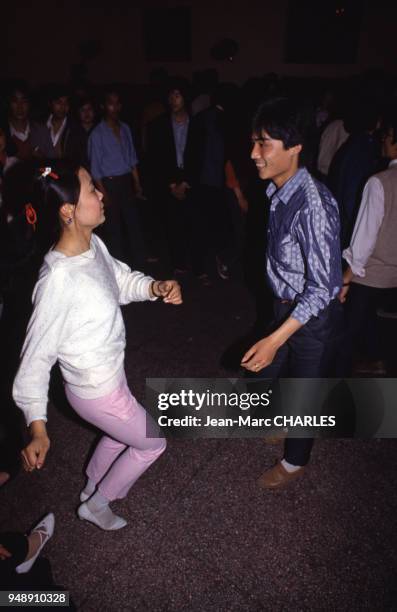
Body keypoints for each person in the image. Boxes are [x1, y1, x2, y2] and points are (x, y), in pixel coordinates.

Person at [13, 160, 182, 530]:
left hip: (107, 378)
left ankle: (91, 485)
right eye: (92, 189)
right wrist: (37, 427)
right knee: (153, 443)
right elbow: (35, 360)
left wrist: (154, 287)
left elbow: (119, 281)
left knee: (117, 431)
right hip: (96, 391)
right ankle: (98, 503)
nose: (101, 193)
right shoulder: (58, 279)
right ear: (67, 211)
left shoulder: (93, 246)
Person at [241, 98, 342, 489]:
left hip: (312, 318)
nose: (253, 153)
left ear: (295, 147)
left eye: (264, 143)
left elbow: (322, 287)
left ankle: (295, 461)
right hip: (283, 306)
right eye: (253, 142)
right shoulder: (278, 192)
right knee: (267, 374)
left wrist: (275, 338)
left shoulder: (311, 204)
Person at [338, 111, 397, 374]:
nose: (383, 141)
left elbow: (364, 238)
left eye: (386, 136)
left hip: (370, 276)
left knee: (346, 338)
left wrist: (346, 278)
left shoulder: (379, 182)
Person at [146, 79, 206, 279]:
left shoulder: (197, 124)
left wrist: (186, 182)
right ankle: (179, 264)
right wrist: (171, 184)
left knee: (196, 224)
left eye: (177, 95)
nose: (173, 99)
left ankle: (200, 267)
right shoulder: (158, 125)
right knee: (174, 224)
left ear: (185, 97)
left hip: (191, 179)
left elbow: (201, 156)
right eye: (170, 95)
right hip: (169, 179)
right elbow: (155, 159)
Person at [88, 87, 146, 267]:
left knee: (134, 225)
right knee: (114, 230)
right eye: (110, 103)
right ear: (103, 106)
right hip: (109, 184)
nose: (114, 107)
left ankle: (140, 266)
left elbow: (131, 158)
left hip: (125, 181)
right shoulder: (97, 134)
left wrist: (136, 182)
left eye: (117, 103)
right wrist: (104, 194)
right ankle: (117, 268)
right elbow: (95, 169)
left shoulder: (125, 128)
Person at [34, 86, 88, 166]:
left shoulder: (75, 129)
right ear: (50, 103)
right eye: (58, 102)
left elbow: (79, 159)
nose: (63, 107)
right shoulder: (38, 125)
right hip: (41, 172)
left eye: (66, 103)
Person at [5, 83, 43, 161]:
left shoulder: (41, 131)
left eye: (24, 101)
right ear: (9, 103)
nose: (20, 107)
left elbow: (52, 165)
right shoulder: (3, 132)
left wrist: (42, 160)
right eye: (15, 101)